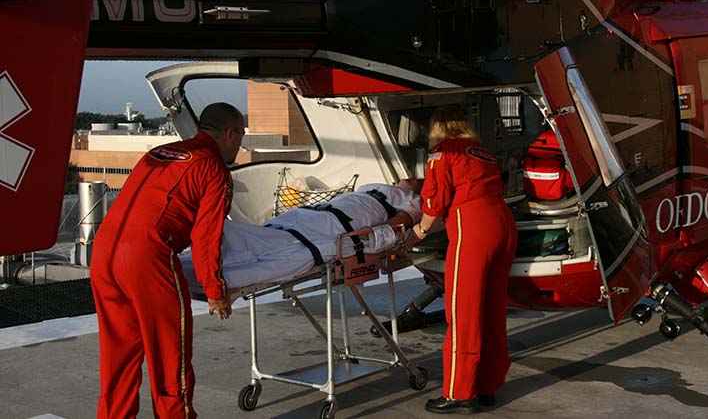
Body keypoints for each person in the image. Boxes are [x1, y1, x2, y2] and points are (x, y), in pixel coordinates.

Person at [90, 102, 246, 419]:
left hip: (104, 250)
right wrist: (215, 290)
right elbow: (207, 236)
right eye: (240, 137)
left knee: (117, 356)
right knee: (169, 355)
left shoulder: (160, 152)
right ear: (230, 134)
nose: (239, 146)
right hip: (147, 256)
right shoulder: (212, 167)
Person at [406, 106, 517, 415]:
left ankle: (459, 392)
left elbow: (436, 200)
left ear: (436, 128)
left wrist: (419, 231)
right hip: (503, 225)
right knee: (492, 311)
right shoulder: (482, 152)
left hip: (474, 228)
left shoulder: (442, 153)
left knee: (463, 312)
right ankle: (487, 387)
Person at [181, 179, 424, 291]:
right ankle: (185, 263)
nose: (407, 177)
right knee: (257, 237)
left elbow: (396, 225)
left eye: (415, 179)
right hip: (308, 218)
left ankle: (202, 276)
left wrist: (370, 243)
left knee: (284, 252)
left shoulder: (412, 200)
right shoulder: (372, 186)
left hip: (330, 229)